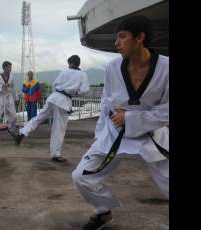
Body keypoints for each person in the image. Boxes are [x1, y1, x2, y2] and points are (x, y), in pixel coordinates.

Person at [71, 15, 169, 230]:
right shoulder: (113, 68)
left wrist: (132, 118)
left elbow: (167, 111)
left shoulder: (166, 68)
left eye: (122, 37)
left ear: (140, 37)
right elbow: (106, 103)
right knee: (81, 176)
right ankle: (103, 212)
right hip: (115, 134)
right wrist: (99, 136)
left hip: (152, 136)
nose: (116, 43)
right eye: (116, 37)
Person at [15, 55, 90, 163]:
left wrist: (60, 91)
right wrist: (75, 92)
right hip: (63, 102)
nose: (68, 65)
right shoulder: (83, 75)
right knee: (58, 129)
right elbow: (84, 90)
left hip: (53, 98)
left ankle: (23, 132)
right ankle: (55, 154)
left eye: (69, 63)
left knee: (39, 117)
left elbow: (54, 85)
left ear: (72, 63)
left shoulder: (64, 72)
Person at [0, 61, 19, 142]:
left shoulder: (11, 77)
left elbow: (13, 88)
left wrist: (16, 98)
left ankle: (10, 129)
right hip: (0, 97)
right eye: (9, 67)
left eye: (11, 67)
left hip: (9, 97)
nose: (10, 69)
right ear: (4, 68)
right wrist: (1, 86)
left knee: (14, 116)